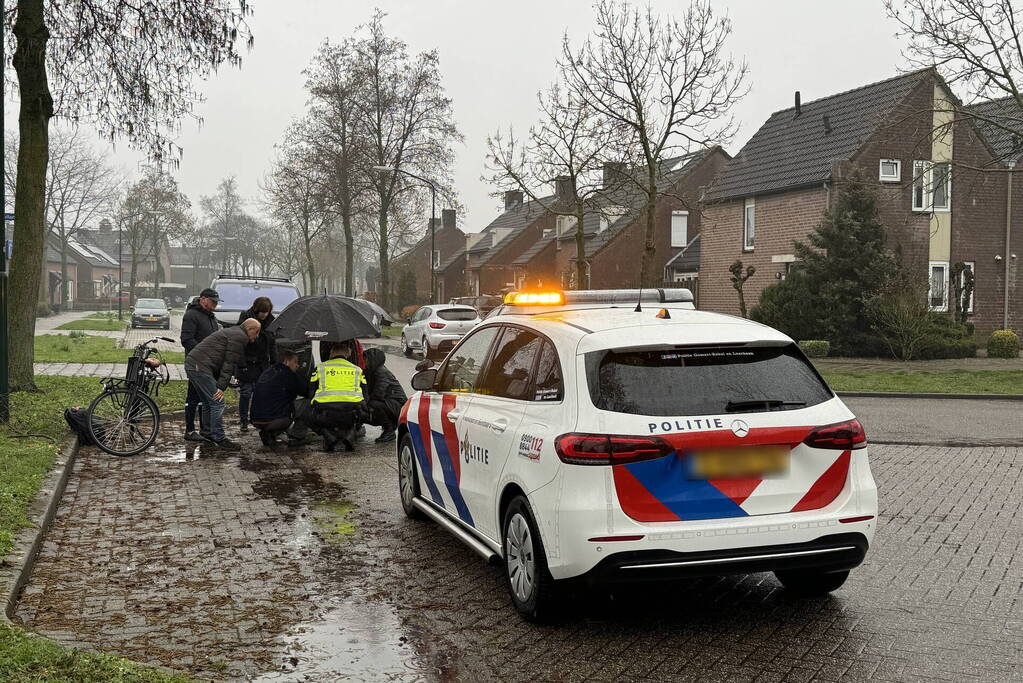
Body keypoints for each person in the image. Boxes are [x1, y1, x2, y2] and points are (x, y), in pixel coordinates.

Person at [184, 318, 261, 451]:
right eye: (257, 332)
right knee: (218, 401)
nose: (257, 335)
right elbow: (229, 363)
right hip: (199, 367)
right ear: (250, 329)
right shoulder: (240, 337)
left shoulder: (234, 332)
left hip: (193, 364)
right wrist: (221, 387)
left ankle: (207, 433)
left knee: (208, 402)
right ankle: (219, 437)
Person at [297, 340, 367, 453]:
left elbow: (311, 391)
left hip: (325, 413)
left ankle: (327, 434)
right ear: (348, 354)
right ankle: (350, 434)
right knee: (364, 410)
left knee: (304, 413)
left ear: (331, 354)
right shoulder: (357, 370)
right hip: (352, 413)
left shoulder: (320, 368)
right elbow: (365, 394)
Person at [180, 288, 221, 442]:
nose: (215, 304)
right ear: (203, 299)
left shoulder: (211, 317)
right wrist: (203, 353)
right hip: (196, 364)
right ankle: (190, 430)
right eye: (213, 301)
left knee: (206, 397)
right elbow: (186, 339)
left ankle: (206, 429)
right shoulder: (191, 315)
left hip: (209, 364)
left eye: (216, 302)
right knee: (193, 397)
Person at [236, 296, 277, 432]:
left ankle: (259, 418)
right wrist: (242, 363)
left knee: (262, 392)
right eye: (262, 312)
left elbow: (272, 343)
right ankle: (243, 420)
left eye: (267, 312)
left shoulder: (271, 321)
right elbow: (239, 342)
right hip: (248, 361)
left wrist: (274, 361)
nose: (264, 315)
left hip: (262, 362)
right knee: (246, 392)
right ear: (256, 310)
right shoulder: (246, 318)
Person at [249, 349, 305, 447]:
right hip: (273, 420)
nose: (297, 365)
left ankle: (269, 434)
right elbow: (305, 391)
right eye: (295, 362)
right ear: (286, 361)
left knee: (281, 403)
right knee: (305, 404)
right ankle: (296, 436)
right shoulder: (288, 374)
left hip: (255, 419)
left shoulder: (268, 371)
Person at [362, 348, 406, 443]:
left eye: (366, 359)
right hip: (389, 404)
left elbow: (378, 393)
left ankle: (389, 430)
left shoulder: (382, 372)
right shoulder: (370, 371)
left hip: (397, 406)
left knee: (372, 404)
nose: (364, 361)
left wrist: (365, 403)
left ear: (373, 360)